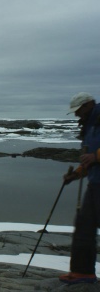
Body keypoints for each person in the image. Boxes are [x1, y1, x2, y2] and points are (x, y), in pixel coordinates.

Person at [60, 92, 100, 285]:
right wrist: (75, 174)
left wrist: (96, 156)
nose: (76, 115)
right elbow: (88, 159)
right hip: (95, 183)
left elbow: (93, 157)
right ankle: (82, 272)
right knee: (84, 226)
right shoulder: (89, 126)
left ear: (89, 105)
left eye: (78, 111)